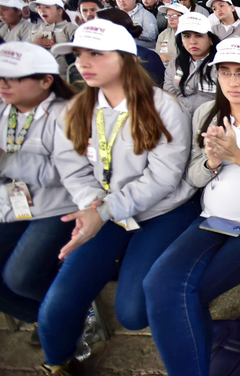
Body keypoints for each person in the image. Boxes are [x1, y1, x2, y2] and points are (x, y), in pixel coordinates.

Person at [41, 19, 197, 375]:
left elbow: (163, 178)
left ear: (126, 58)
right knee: (59, 302)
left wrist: (106, 209)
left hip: (162, 210)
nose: (83, 62)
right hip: (104, 209)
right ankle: (57, 363)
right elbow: (73, 169)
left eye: (96, 53)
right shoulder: (77, 107)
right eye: (79, 54)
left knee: (133, 310)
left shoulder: (163, 107)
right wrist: (93, 204)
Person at [144, 38, 240, 376]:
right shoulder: (206, 113)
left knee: (189, 293)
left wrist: (239, 157)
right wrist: (212, 161)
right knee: (157, 283)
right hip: (213, 217)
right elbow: (195, 177)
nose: (232, 81)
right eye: (225, 73)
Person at [0, 42, 77, 333]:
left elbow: (65, 173)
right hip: (11, 205)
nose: (4, 84)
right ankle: (47, 319)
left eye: (15, 77)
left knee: (20, 276)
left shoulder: (67, 114)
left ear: (46, 81)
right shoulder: (4, 111)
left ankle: (64, 317)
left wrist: (6, 160)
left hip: (58, 206)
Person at [163, 13, 220, 115]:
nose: (192, 41)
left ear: (210, 39)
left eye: (198, 35)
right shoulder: (176, 62)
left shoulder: (221, 64)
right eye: (186, 36)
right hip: (178, 116)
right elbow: (169, 94)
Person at [25, 0, 78, 72]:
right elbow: (24, 51)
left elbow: (76, 54)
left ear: (60, 11)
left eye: (47, 7)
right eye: (39, 7)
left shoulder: (70, 28)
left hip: (63, 74)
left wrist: (57, 49)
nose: (42, 10)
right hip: (38, 73)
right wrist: (35, 44)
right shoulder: (35, 28)